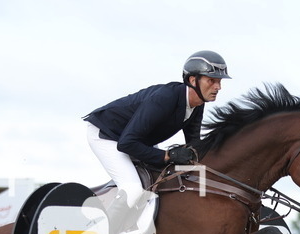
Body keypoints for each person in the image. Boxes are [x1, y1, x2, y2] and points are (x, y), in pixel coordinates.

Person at [83, 50, 230, 212]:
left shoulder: (197, 104)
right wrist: (168, 155)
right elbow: (126, 143)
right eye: (212, 81)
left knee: (161, 181)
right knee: (133, 190)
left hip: (136, 139)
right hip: (106, 134)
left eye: (219, 81)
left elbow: (194, 143)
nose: (218, 87)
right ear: (193, 80)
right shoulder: (165, 98)